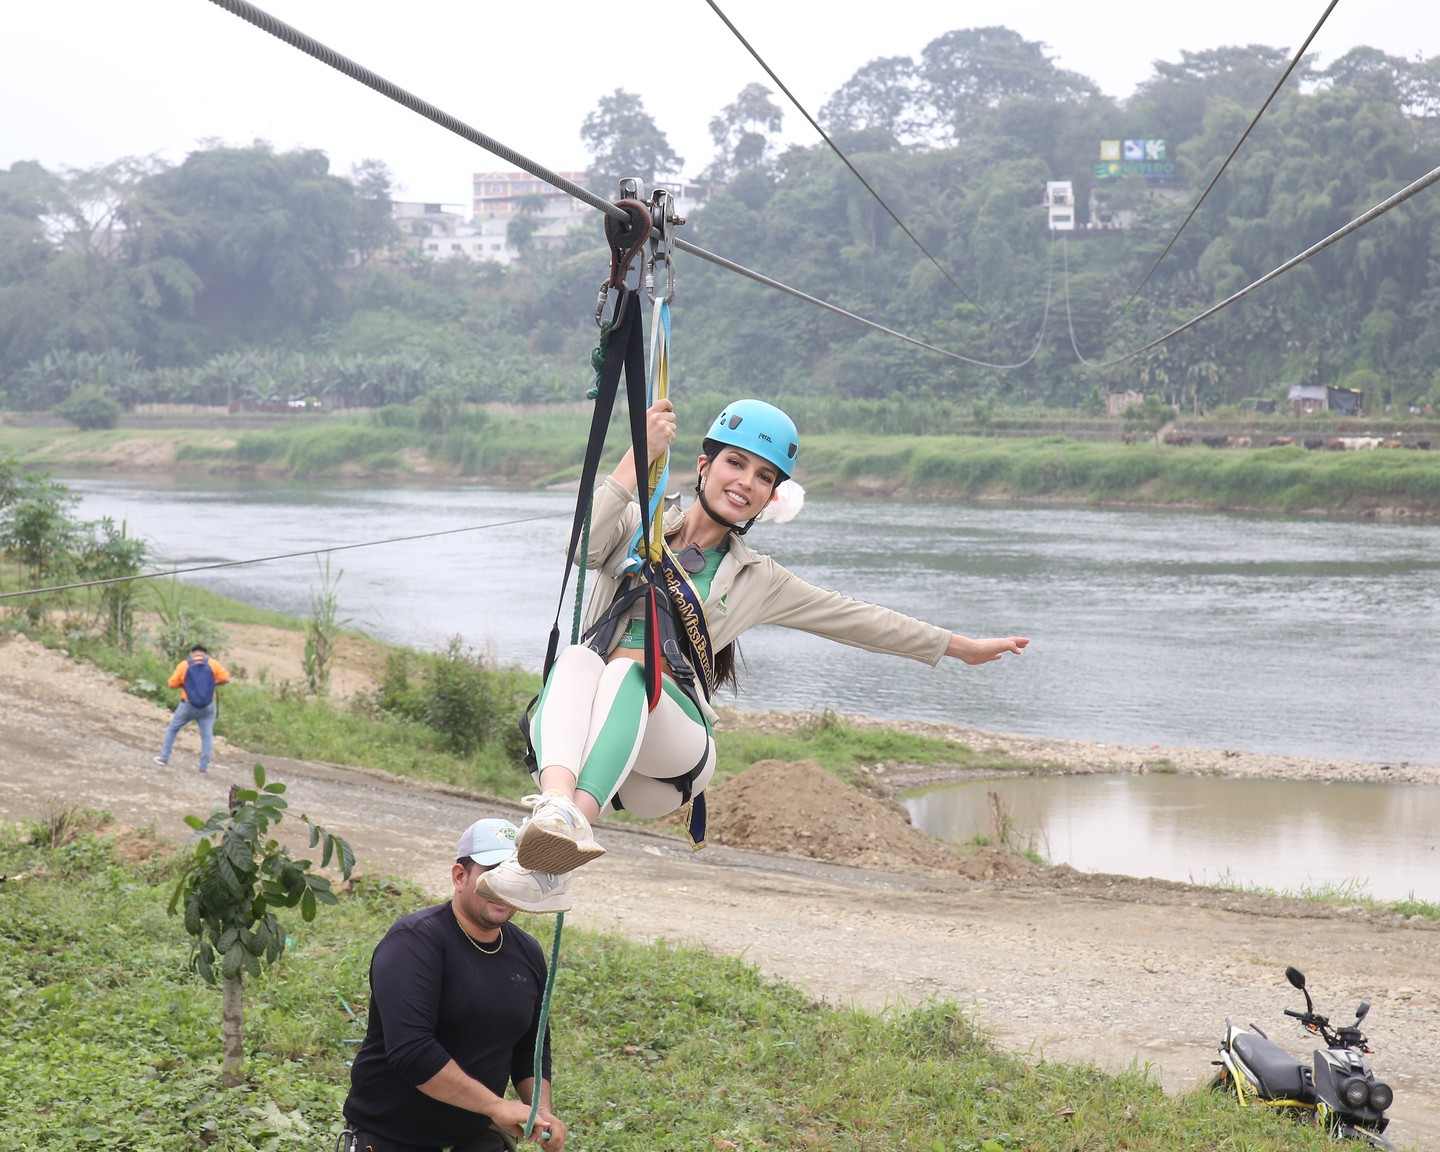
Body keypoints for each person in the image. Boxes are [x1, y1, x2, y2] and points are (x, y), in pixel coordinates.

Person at [477, 398, 1029, 914]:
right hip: (599, 740)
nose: (745, 482)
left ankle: (574, 825)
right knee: (577, 660)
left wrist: (960, 648)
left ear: (771, 498)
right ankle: (552, 835)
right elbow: (583, 549)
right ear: (703, 466)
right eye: (735, 464)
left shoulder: (758, 579)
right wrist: (635, 457)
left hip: (671, 753)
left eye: (764, 477)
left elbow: (859, 619)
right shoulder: (639, 521)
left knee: (627, 669)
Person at [340, 818, 567, 1152]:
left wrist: (541, 1110)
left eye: (515, 876)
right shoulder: (414, 942)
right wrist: (496, 1105)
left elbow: (531, 1049)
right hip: (393, 1138)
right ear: (460, 876)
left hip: (476, 1139)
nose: (505, 886)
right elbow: (413, 1051)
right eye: (493, 872)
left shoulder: (527, 951)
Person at [154, 644, 230, 774]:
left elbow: (171, 683)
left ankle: (164, 758)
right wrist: (213, 683)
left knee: (173, 729)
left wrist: (185, 685)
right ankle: (203, 768)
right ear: (206, 654)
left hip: (188, 704)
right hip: (208, 706)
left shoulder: (184, 665)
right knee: (207, 736)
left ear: (192, 653)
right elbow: (226, 678)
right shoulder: (213, 664)